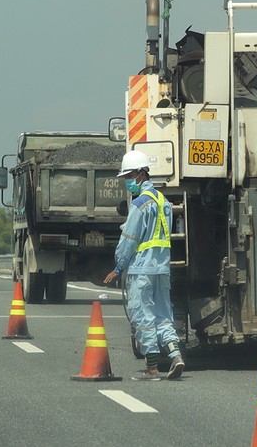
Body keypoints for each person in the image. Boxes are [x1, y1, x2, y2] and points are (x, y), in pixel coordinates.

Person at [103, 150, 184, 381]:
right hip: (162, 268)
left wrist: (118, 267)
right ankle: (176, 355)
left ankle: (152, 367)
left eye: (128, 176)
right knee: (163, 315)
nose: (127, 181)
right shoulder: (164, 202)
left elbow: (129, 240)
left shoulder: (140, 204)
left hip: (142, 269)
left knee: (142, 316)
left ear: (140, 174)